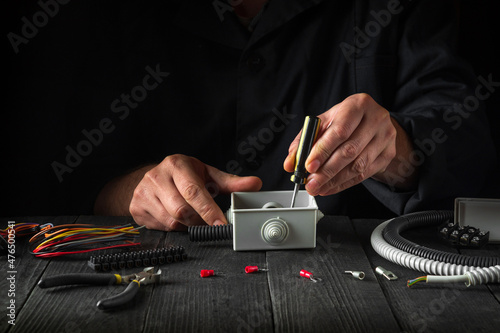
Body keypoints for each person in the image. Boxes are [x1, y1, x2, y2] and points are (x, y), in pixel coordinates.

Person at [16, 0, 492, 229]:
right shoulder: (103, 15)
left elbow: (468, 143)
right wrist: (132, 190)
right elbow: (52, 170)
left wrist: (395, 149)